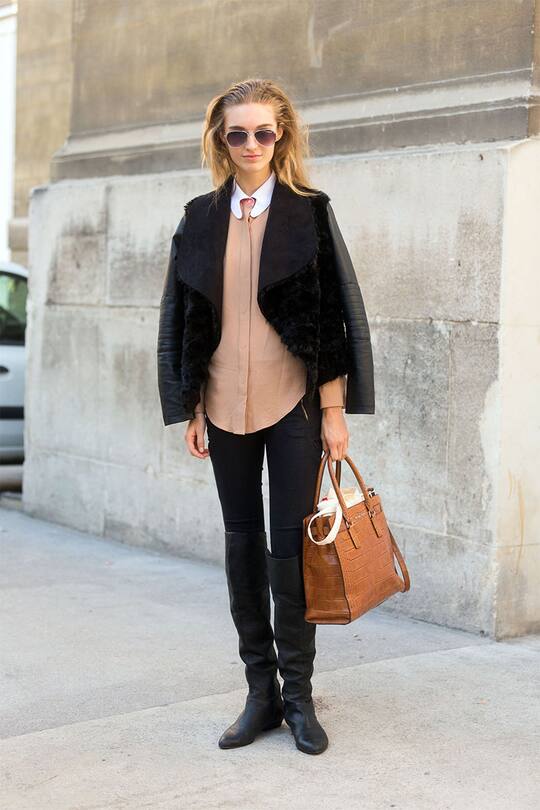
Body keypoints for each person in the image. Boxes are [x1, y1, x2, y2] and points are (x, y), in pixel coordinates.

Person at [157, 78, 375, 755]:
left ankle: (299, 698)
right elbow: (180, 315)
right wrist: (190, 405)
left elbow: (337, 314)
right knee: (241, 546)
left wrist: (334, 411)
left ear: (281, 137)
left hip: (295, 408)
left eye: (263, 132)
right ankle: (261, 696)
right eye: (237, 133)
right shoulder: (198, 216)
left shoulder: (308, 212)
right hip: (221, 406)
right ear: (220, 141)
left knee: (290, 550)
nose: (251, 144)